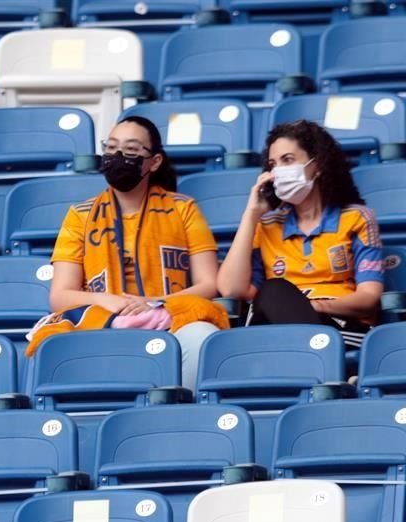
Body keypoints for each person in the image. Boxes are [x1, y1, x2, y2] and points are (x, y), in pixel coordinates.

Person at [48, 116, 222, 387]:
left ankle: (182, 416)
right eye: (111, 148)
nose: (118, 156)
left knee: (202, 336)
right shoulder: (79, 215)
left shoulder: (183, 209)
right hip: (103, 322)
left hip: (169, 318)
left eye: (130, 151)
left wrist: (154, 301)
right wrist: (109, 301)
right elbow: (60, 295)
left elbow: (209, 284)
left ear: (154, 162)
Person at [217, 120, 383, 349]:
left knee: (273, 294)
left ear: (318, 165)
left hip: (340, 330)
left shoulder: (356, 218)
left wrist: (309, 306)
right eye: (272, 164)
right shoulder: (266, 224)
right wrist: (251, 214)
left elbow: (369, 298)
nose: (278, 171)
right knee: (271, 292)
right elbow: (231, 289)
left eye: (288, 160)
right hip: (277, 330)